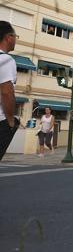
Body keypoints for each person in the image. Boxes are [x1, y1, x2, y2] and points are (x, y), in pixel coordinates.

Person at [0, 21, 19, 161]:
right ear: (8, 37)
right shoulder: (6, 60)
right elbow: (7, 92)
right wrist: (11, 121)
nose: (15, 40)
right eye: (15, 36)